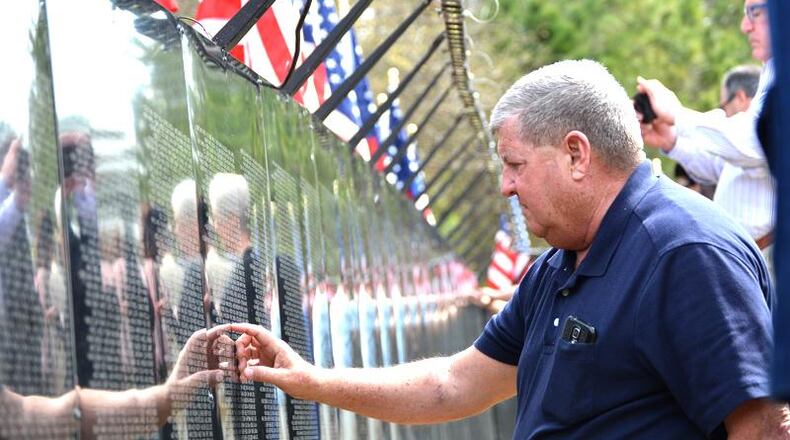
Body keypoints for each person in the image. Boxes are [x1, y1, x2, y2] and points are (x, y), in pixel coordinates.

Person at [226, 59, 790, 439]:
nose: (506, 185)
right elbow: (454, 385)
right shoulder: (560, 266)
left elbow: (763, 424)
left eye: (515, 164)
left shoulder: (682, 252)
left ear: (576, 154)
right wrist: (312, 380)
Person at [638, 1, 775, 256]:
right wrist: (672, 140)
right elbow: (727, 169)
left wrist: (677, 114)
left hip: (769, 258)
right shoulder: (773, 71)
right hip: (751, 257)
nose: (745, 26)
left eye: (754, 12)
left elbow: (756, 141)